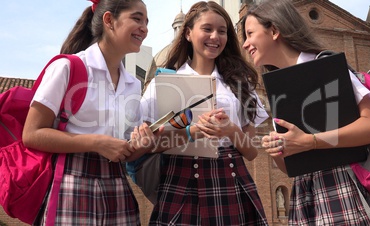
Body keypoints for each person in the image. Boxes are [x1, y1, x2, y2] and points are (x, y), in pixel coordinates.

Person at [241, 0, 370, 225]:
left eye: (250, 34)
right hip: (305, 197)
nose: (245, 44)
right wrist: (278, 149)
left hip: (342, 192)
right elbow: (290, 168)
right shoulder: (279, 87)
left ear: (274, 31)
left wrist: (310, 141)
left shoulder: (325, 66)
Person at [22, 0, 158, 225]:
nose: (145, 28)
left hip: (116, 186)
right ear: (109, 21)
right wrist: (96, 142)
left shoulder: (133, 84)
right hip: (70, 184)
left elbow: (124, 150)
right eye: (137, 18)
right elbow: (32, 134)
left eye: (146, 21)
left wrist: (140, 145)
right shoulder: (68, 67)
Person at [141, 1, 269, 225]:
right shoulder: (164, 83)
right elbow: (148, 144)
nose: (215, 37)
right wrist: (191, 131)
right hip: (181, 181)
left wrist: (231, 130)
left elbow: (251, 152)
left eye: (222, 31)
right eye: (207, 29)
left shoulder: (240, 85)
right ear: (188, 33)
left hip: (231, 179)